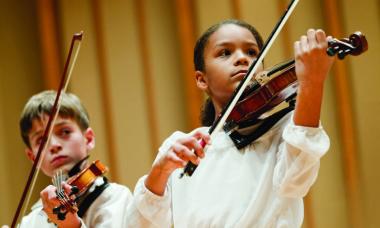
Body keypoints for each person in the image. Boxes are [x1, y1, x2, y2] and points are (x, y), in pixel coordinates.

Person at [125, 19, 335, 227]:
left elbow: (297, 180)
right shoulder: (182, 145)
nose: (242, 59)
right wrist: (160, 172)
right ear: (201, 79)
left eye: (252, 53)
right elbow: (142, 224)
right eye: (225, 52)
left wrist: (312, 83)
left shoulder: (286, 129)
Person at [18, 90, 133, 228]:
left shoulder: (113, 198)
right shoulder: (31, 221)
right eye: (41, 140)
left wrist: (72, 225)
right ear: (33, 157)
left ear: (88, 139)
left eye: (65, 132)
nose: (54, 145)